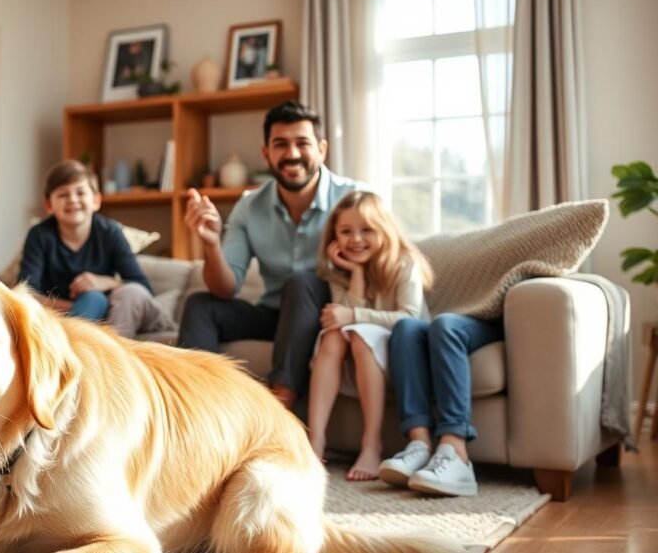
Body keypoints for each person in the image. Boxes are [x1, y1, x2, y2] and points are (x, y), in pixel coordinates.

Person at [179, 100, 360, 410]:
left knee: (302, 282)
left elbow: (384, 267)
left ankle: (280, 412)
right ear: (266, 154)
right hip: (276, 315)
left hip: (333, 314)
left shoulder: (355, 199)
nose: (291, 154)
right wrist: (210, 243)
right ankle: (200, 412)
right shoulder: (249, 206)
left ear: (322, 149)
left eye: (302, 143)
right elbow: (225, 288)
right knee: (200, 304)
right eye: (280, 144)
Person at [305, 191, 433, 481]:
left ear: (384, 230)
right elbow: (342, 320)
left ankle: (372, 444)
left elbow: (409, 317)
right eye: (346, 231)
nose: (356, 239)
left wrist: (353, 316)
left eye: (367, 230)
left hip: (405, 349)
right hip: (360, 347)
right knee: (333, 336)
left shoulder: (404, 263)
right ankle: (315, 443)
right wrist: (356, 273)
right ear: (334, 236)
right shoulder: (338, 272)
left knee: (358, 334)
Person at [19, 160, 174, 337]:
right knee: (93, 299)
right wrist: (78, 307)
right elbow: (26, 293)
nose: (72, 200)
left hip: (120, 312)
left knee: (128, 293)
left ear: (96, 201)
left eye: (80, 192)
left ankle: (108, 354)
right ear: (49, 205)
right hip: (80, 314)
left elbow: (143, 287)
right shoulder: (40, 235)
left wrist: (106, 282)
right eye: (63, 195)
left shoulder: (110, 232)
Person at [378, 313, 504, 496]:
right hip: (451, 317)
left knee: (445, 326)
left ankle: (457, 454)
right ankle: (419, 444)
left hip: (488, 321)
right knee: (406, 329)